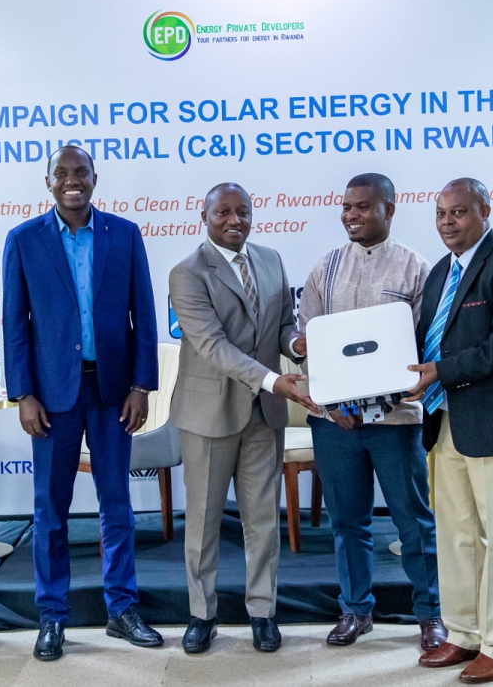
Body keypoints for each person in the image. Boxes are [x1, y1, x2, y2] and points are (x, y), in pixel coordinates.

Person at [2, 145, 161, 661]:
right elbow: (15, 324)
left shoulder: (125, 234)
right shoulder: (23, 240)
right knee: (52, 509)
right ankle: (52, 616)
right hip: (52, 396)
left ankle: (122, 608)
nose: (73, 181)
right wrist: (23, 393)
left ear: (96, 178)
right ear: (47, 181)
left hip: (114, 391)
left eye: (82, 173)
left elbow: (144, 315)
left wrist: (142, 385)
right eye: (63, 174)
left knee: (117, 504)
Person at [297, 173, 445, 651]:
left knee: (413, 521)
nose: (351, 214)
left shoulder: (416, 269)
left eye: (362, 206)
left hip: (396, 421)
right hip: (334, 421)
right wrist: (330, 401)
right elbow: (309, 343)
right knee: (348, 522)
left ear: (389, 209)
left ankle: (430, 615)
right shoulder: (326, 268)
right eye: (346, 206)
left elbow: (427, 344)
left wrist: (395, 392)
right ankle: (355, 610)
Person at [168, 182, 317, 655]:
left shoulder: (271, 260)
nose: (235, 221)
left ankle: (262, 612)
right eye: (224, 213)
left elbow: (283, 325)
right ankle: (202, 614)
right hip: (208, 414)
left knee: (262, 522)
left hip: (263, 415)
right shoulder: (187, 273)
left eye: (243, 212)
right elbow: (213, 346)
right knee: (204, 522)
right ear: (205, 216)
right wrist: (276, 380)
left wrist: (296, 345)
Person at [407, 178, 493, 684]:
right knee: (457, 536)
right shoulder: (441, 270)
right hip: (445, 423)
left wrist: (438, 373)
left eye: (459, 212)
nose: (447, 222)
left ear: (485, 210)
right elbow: (430, 341)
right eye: (441, 213)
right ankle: (463, 634)